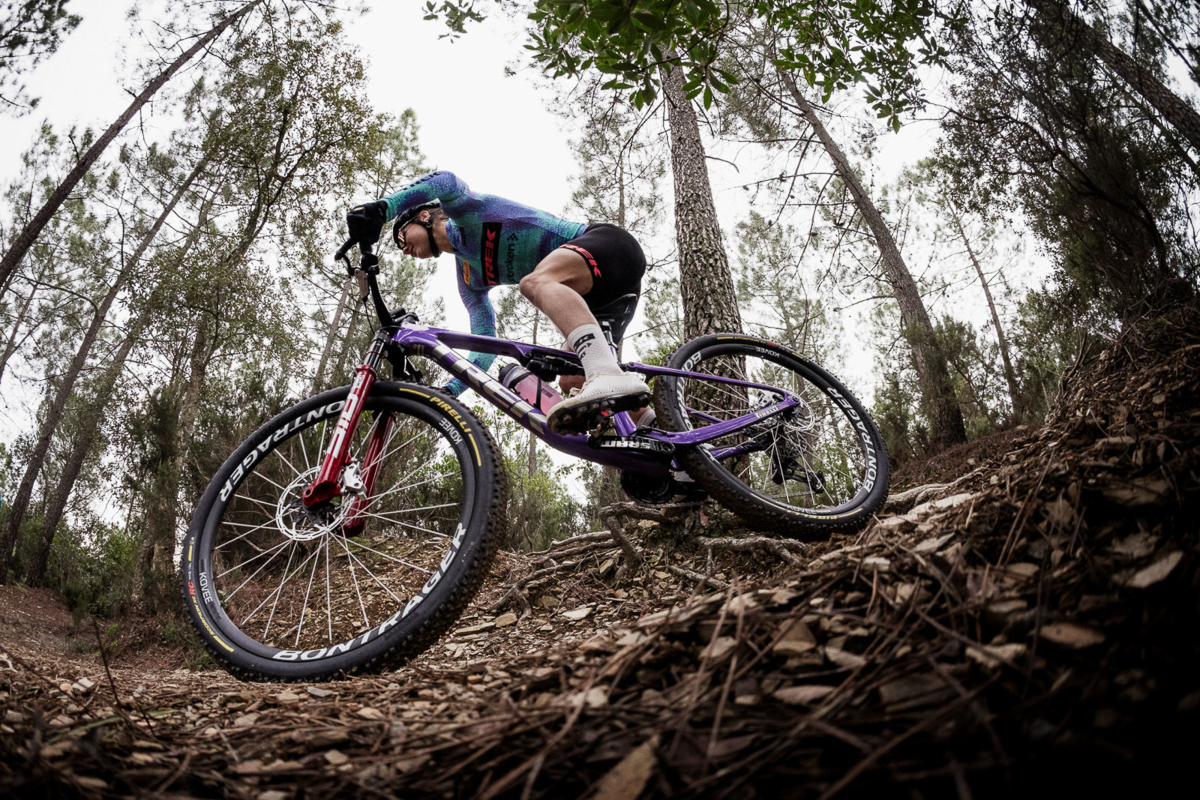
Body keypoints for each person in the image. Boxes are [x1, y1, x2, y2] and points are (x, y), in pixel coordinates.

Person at [345, 171, 650, 434]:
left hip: (609, 249)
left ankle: (606, 374)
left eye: (401, 238)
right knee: (573, 382)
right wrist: (448, 392)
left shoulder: (464, 212)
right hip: (597, 298)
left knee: (535, 282)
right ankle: (678, 451)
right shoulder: (469, 278)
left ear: (423, 216)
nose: (404, 250)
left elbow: (445, 180)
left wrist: (383, 210)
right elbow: (485, 342)